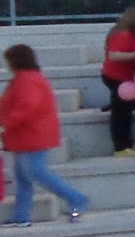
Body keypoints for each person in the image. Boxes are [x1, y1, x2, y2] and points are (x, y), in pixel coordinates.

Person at [0, 44, 90, 227]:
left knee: (37, 173)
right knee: (23, 177)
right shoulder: (26, 78)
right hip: (27, 135)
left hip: (31, 135)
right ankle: (21, 215)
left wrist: (5, 124)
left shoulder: (26, 80)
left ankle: (76, 198)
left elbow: (26, 107)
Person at [102, 6, 135, 158]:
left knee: (125, 113)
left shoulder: (128, 34)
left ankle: (127, 144)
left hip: (124, 78)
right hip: (116, 77)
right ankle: (120, 147)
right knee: (120, 114)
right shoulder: (123, 35)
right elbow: (113, 55)